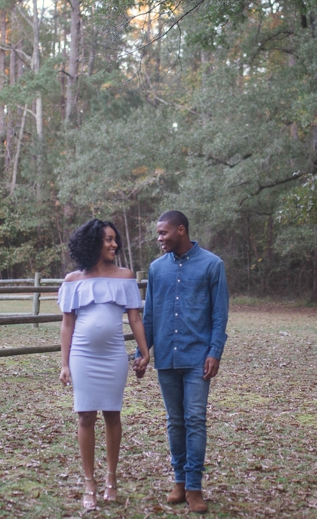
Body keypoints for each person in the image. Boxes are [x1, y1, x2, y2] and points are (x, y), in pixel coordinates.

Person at [57, 218, 153, 511]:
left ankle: (111, 478)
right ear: (93, 243)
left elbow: (135, 318)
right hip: (83, 356)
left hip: (114, 356)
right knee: (85, 417)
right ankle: (89, 482)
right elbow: (67, 325)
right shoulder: (73, 280)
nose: (114, 244)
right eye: (108, 239)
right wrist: (64, 364)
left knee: (113, 415)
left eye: (115, 239)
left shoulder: (124, 277)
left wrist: (144, 352)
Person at [144, 210, 229, 514]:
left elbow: (220, 314)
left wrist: (215, 351)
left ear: (181, 230)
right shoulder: (156, 269)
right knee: (174, 422)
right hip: (166, 357)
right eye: (158, 233)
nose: (159, 238)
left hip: (197, 358)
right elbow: (149, 315)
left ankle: (194, 486)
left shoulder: (212, 265)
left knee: (195, 420)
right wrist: (145, 352)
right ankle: (178, 481)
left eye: (163, 233)